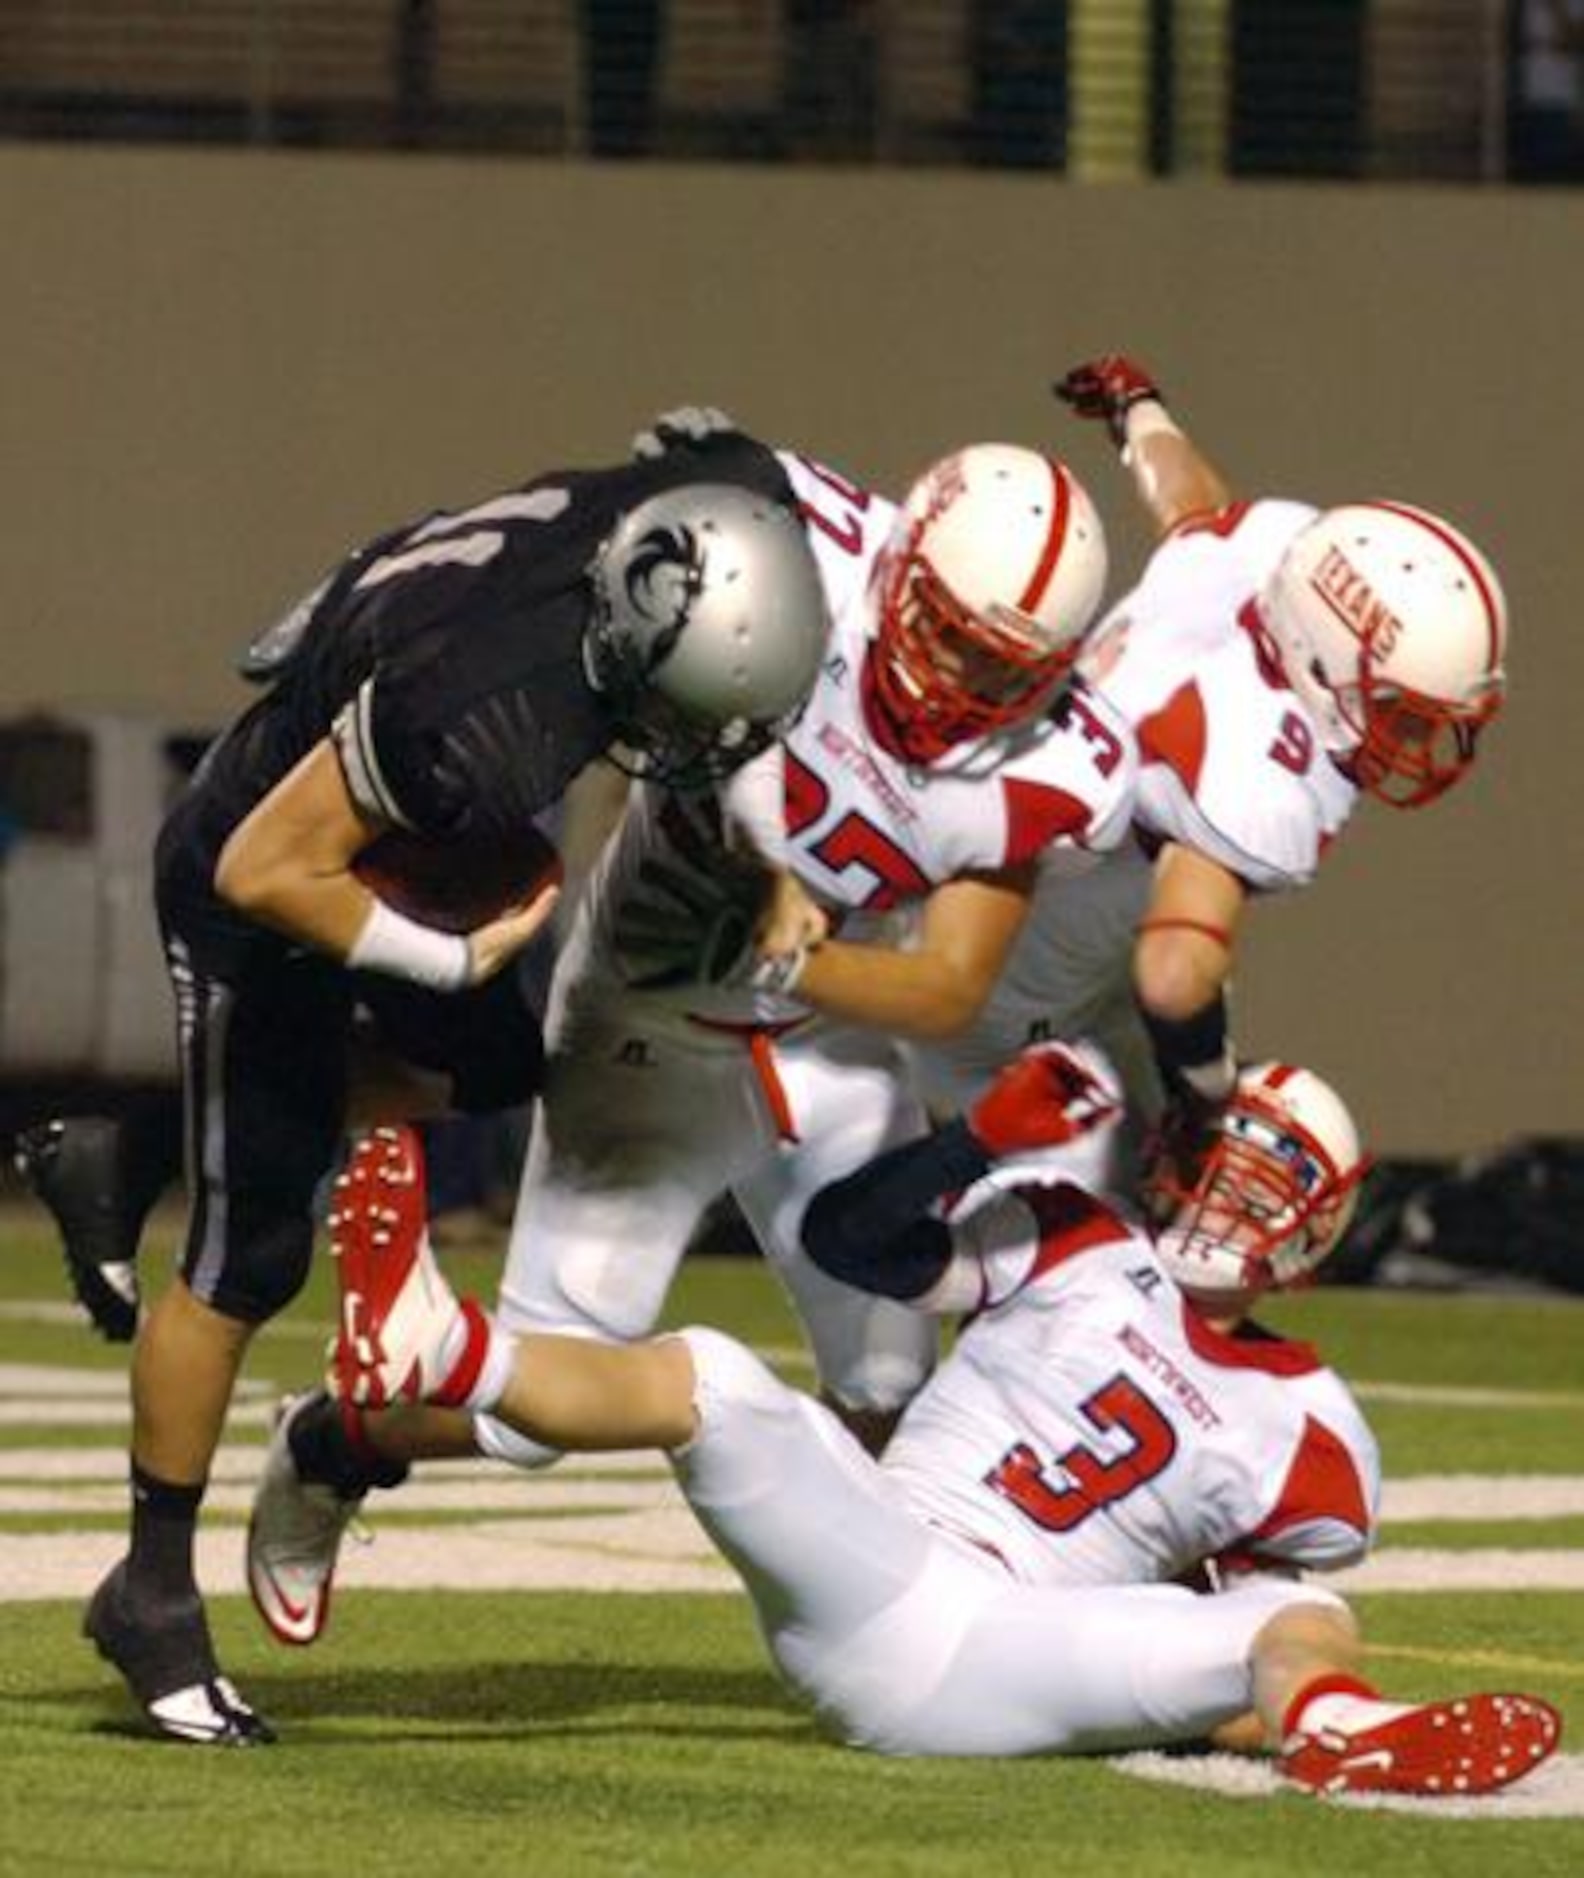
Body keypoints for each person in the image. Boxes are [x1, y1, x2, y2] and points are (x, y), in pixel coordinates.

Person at [244, 431, 1131, 1660]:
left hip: (827, 1046)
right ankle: (333, 1441)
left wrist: (789, 956)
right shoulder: (799, 549)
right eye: (949, 637)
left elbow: (943, 988)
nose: (964, 685)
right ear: (901, 570)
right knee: (529, 1410)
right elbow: (607, 548)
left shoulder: (1052, 761)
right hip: (646, 1028)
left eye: (1004, 668)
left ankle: (901, 1645)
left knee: (890, 1390)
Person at [77, 436, 834, 1747]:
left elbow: (696, 459)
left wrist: (761, 864)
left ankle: (131, 1148)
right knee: (248, 1251)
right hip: (258, 876)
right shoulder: (470, 717)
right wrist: (453, 951)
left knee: (494, 1064)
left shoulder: (688, 512)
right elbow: (271, 869)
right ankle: (147, 1593)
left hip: (400, 823)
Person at [316, 1044, 1562, 1790]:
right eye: (1231, 1150)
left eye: (1272, 1170)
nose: (1235, 1185)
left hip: (1016, 1654)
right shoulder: (1078, 1235)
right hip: (886, 1561)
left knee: (1301, 1614)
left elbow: (1226, 1620)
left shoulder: (1312, 1429)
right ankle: (441, 1344)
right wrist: (974, 1140)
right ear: (1184, 1151)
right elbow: (850, 1241)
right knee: (715, 1374)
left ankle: (1341, 1730)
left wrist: (1245, 1677)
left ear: (1318, 1226)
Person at [913, 352, 1510, 1195]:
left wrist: (1140, 414)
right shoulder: (1253, 775)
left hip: (1053, 870)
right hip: (1028, 958)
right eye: (1404, 713)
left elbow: (1192, 506)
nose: (1413, 740)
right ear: (1321, 653)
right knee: (1021, 1226)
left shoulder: (1267, 554)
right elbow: (1173, 975)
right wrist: (1210, 1097)